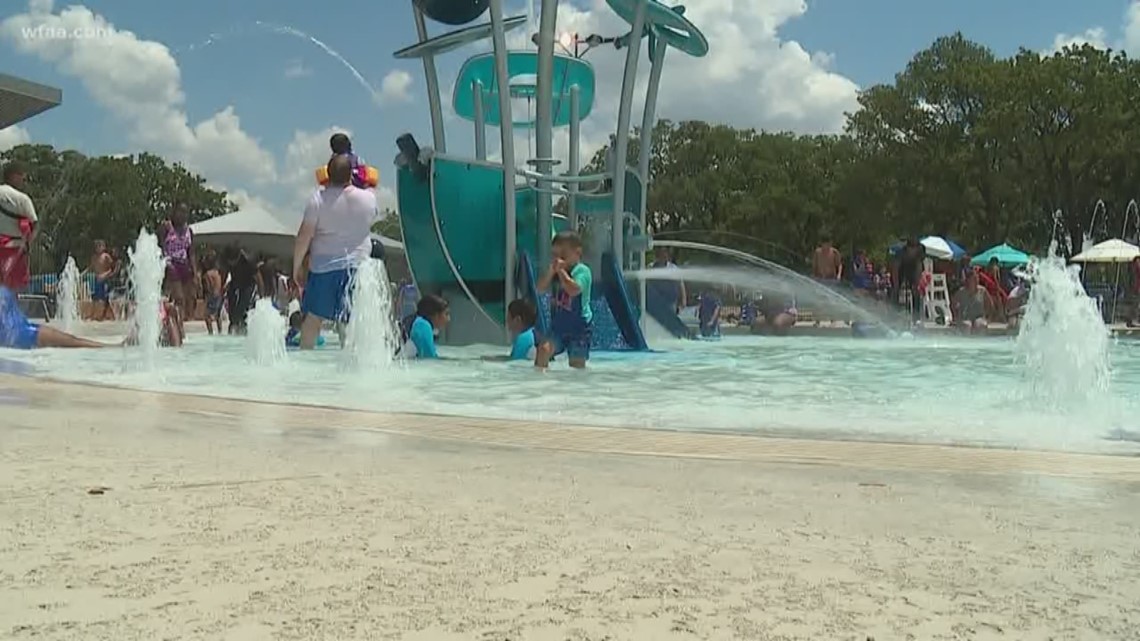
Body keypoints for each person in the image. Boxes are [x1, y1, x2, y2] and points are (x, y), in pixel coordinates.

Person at [294, 155, 379, 350]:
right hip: (357, 269)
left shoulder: (317, 200)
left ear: (327, 174)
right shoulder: (368, 198)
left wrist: (296, 267)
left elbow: (303, 237)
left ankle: (302, 363)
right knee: (351, 323)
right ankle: (352, 366)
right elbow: (372, 216)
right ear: (351, 174)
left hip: (324, 269)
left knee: (313, 319)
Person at [535, 231, 592, 369]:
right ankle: (539, 386)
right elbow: (540, 289)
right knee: (543, 350)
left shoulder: (582, 271)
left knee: (576, 365)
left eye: (563, 255)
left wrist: (561, 272)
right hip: (558, 326)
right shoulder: (554, 272)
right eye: (555, 255)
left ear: (577, 253)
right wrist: (550, 272)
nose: (558, 260)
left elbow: (574, 290)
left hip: (580, 327)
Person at [0, 286, 110, 349]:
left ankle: (109, 346)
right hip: (22, 334)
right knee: (73, 342)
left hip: (23, 330)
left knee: (73, 341)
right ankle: (109, 347)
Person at [0, 161, 37, 292]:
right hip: (15, 249)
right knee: (15, 289)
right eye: (21, 175)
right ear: (13, 176)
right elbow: (34, 224)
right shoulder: (22, 198)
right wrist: (27, 244)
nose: (23, 179)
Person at [159, 203, 197, 325]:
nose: (183, 215)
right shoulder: (166, 228)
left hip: (184, 265)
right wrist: (164, 263)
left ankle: (179, 324)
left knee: (184, 300)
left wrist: (195, 273)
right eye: (180, 211)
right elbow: (159, 246)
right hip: (171, 264)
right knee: (178, 297)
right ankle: (174, 324)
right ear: (174, 212)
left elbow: (191, 252)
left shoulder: (189, 231)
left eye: (185, 212)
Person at [397, 294, 450, 359]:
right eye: (446, 314)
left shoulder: (416, 321)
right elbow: (430, 359)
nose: (448, 319)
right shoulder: (423, 326)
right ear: (436, 315)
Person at [225, 246, 256, 334]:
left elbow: (258, 277)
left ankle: (242, 327)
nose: (232, 264)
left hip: (248, 285)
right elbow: (225, 273)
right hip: (235, 283)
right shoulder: (226, 259)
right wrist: (223, 287)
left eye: (233, 261)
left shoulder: (248, 262)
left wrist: (262, 294)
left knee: (242, 307)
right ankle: (232, 325)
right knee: (232, 307)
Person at [895, 237, 926, 324]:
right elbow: (896, 268)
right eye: (913, 249)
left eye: (916, 249)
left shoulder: (920, 251)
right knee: (896, 290)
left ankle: (916, 317)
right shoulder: (901, 253)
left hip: (913, 269)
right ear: (908, 248)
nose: (914, 251)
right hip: (902, 268)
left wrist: (917, 284)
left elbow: (919, 267)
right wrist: (897, 284)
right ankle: (895, 313)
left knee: (916, 292)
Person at [649, 246, 686, 313]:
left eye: (665, 253)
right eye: (662, 253)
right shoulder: (651, 267)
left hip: (670, 302)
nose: (664, 256)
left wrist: (683, 301)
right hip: (655, 302)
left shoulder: (673, 268)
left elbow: (680, 284)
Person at [88, 240, 114, 321]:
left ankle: (103, 315)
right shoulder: (94, 257)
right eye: (97, 246)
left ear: (104, 247)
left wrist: (105, 275)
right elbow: (91, 267)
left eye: (100, 246)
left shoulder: (106, 256)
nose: (98, 248)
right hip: (97, 279)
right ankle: (94, 315)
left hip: (104, 279)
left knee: (103, 298)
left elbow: (112, 269)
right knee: (95, 298)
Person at [203, 258, 224, 335]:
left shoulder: (208, 274)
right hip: (219, 295)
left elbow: (209, 286)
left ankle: (210, 332)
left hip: (212, 295)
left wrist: (208, 296)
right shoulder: (217, 273)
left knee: (207, 315)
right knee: (218, 315)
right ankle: (220, 331)